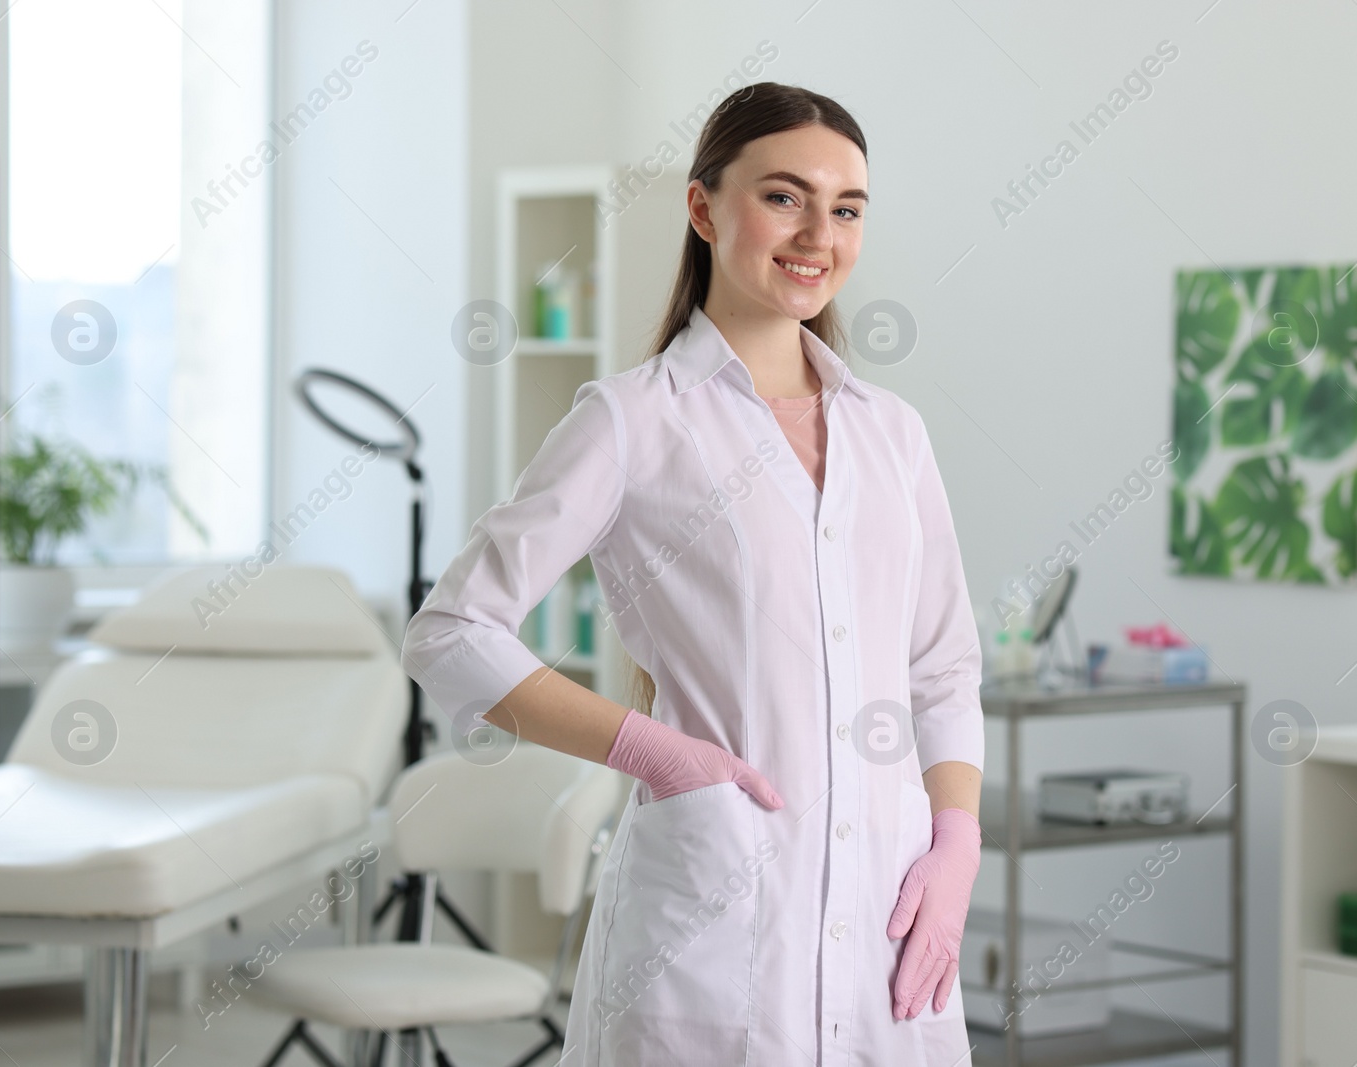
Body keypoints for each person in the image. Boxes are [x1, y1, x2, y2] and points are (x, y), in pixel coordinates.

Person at [403, 81, 984, 1067]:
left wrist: (957, 838)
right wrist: (656, 752)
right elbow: (450, 631)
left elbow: (941, 667)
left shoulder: (892, 433)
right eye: (784, 196)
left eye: (846, 209)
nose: (818, 234)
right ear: (704, 206)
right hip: (710, 921)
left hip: (887, 916)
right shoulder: (634, 419)